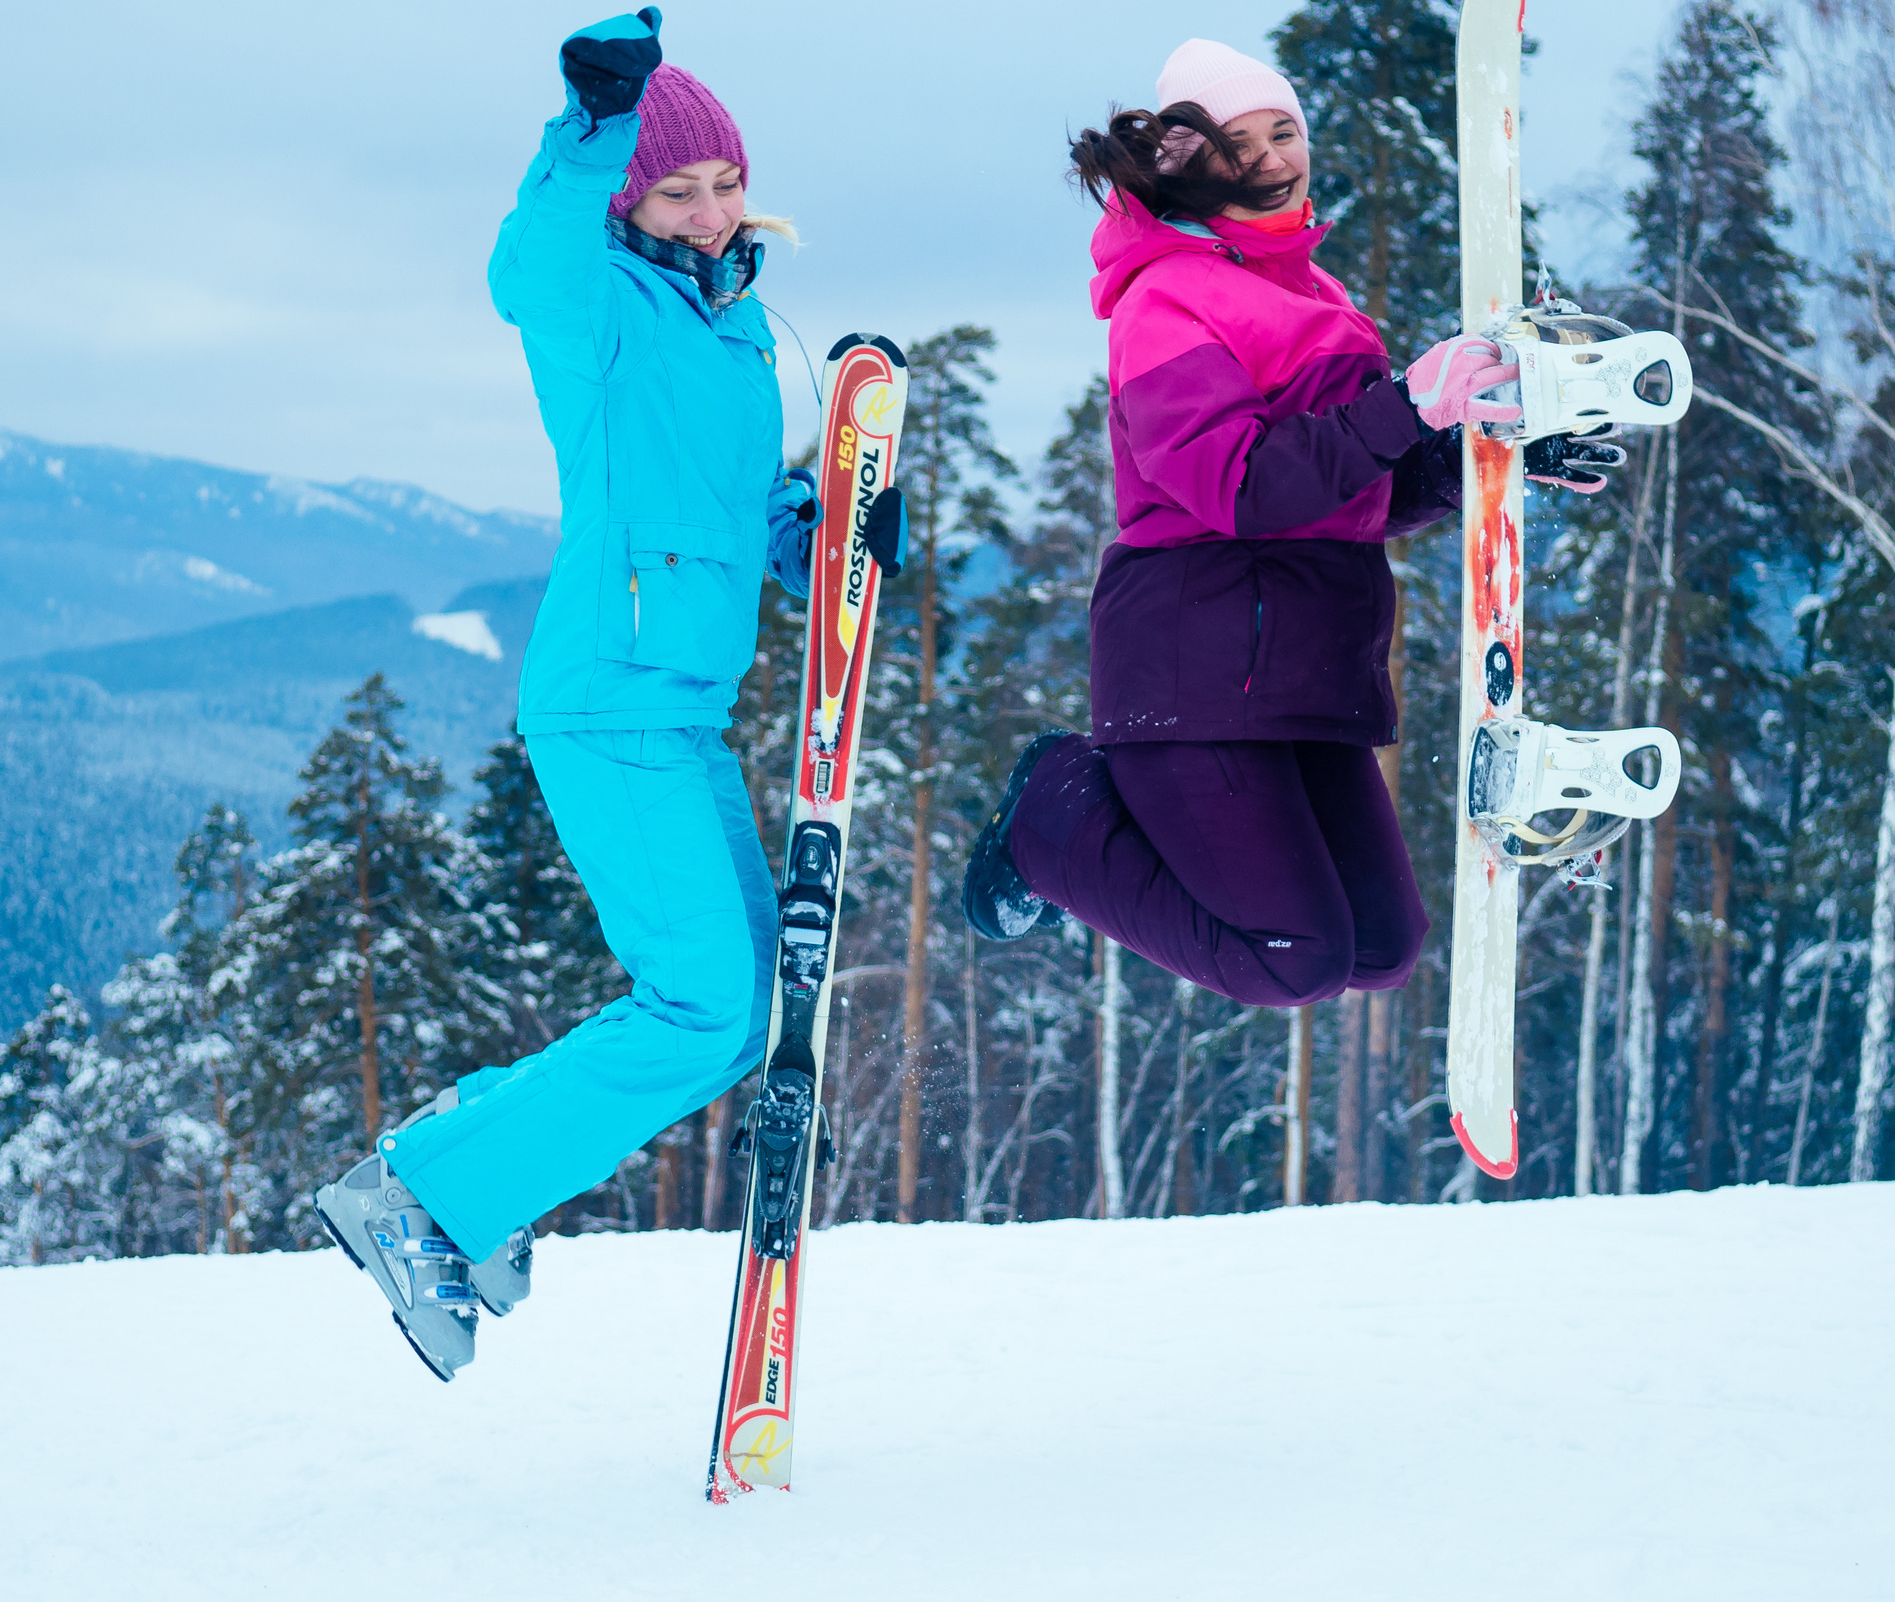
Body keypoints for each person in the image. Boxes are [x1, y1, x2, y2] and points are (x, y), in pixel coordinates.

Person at [314, 8, 899, 1380]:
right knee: (698, 1006)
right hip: (612, 700)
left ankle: (460, 1164)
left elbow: (727, 509)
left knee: (740, 1011)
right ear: (630, 197)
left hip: (679, 708)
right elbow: (528, 263)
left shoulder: (732, 328)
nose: (708, 211)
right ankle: (426, 1194)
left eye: (724, 183)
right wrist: (591, 128)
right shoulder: (600, 309)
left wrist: (821, 529)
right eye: (676, 189)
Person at [961, 38, 1605, 1007]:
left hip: (1311, 671)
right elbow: (1243, 484)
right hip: (1197, 667)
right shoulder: (1164, 298)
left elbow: (1360, 488)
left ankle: (1082, 818)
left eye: (1285, 132)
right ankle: (1051, 817)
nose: (1272, 157)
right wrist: (1408, 406)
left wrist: (1490, 457)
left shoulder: (1320, 298)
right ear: (1191, 158)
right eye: (1242, 140)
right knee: (1291, 955)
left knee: (1380, 948)